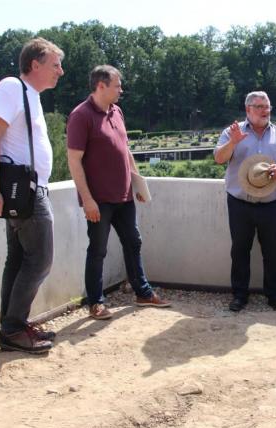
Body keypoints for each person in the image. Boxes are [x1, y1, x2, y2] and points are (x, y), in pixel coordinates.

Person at [67, 65, 172, 321]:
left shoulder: (116, 111)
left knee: (133, 243)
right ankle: (96, 302)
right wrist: (87, 199)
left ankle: (143, 293)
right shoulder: (81, 116)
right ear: (101, 86)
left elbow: (125, 150)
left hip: (124, 196)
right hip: (99, 200)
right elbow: (74, 161)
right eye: (117, 85)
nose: (121, 90)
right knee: (98, 250)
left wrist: (137, 183)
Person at [0, 38, 65, 353]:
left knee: (18, 261)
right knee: (40, 260)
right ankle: (14, 328)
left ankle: (11, 328)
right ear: (35, 64)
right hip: (24, 192)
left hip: (25, 191)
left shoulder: (30, 95)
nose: (61, 71)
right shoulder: (11, 88)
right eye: (55, 64)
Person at [214, 91, 276, 312]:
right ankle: (239, 296)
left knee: (273, 252)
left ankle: (275, 296)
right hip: (240, 203)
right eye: (259, 106)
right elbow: (219, 159)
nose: (265, 110)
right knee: (240, 251)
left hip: (272, 204)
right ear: (248, 109)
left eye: (267, 106)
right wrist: (233, 142)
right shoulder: (232, 132)